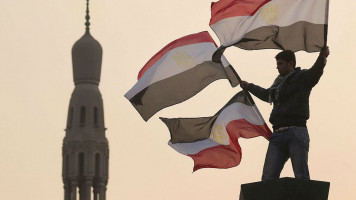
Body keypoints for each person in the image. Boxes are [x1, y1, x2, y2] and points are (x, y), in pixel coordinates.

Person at [240, 46, 330, 181]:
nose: (277, 67)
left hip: (296, 132)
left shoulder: (302, 77)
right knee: (268, 178)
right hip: (277, 135)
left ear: (291, 64)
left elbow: (316, 72)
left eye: (280, 64)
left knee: (301, 176)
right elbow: (266, 95)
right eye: (277, 64)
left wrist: (322, 57)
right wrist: (249, 87)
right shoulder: (278, 85)